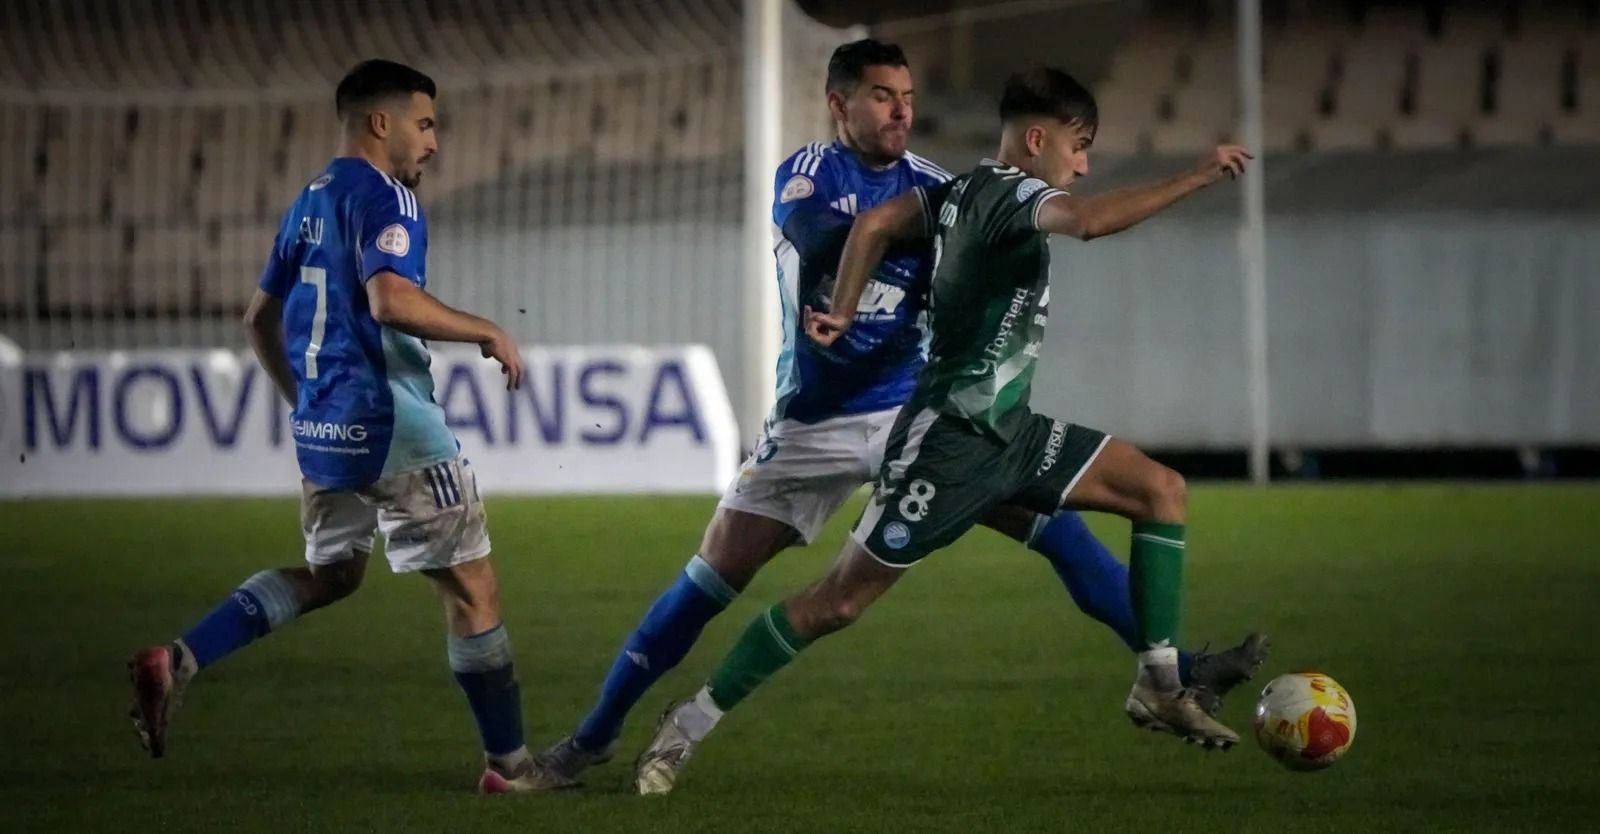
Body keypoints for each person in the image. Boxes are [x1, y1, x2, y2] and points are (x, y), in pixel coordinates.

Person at [533, 44, 1265, 794]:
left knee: (1072, 524)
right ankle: (591, 739)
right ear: (839, 104)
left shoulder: (945, 187)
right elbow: (847, 231)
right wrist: (861, 296)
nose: (901, 110)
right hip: (815, 423)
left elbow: (938, 226)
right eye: (882, 95)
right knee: (718, 582)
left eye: (908, 95)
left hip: (918, 407)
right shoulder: (810, 176)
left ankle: (1166, 669)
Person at [127, 59, 552, 794]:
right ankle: (510, 768)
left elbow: (257, 319)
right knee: (473, 591)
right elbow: (391, 301)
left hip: (326, 430)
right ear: (379, 123)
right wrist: (486, 330)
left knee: (333, 575)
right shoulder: (386, 198)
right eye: (424, 124)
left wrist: (304, 400)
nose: (433, 143)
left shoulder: (309, 200)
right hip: (395, 427)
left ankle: (181, 658)